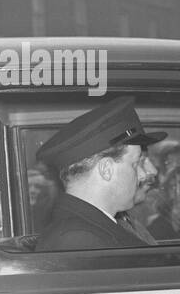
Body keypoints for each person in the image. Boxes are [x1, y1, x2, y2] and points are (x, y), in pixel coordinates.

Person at [33, 96, 164, 251]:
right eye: (135, 164)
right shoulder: (79, 240)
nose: (143, 175)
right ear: (106, 169)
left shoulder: (98, 226)